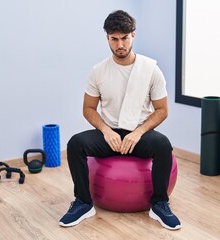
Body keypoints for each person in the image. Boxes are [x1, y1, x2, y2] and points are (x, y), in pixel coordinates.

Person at [59, 10, 181, 231]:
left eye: (124, 38)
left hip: (139, 133)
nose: (120, 44)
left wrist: (139, 132)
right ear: (107, 38)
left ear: (133, 35)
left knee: (163, 145)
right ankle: (84, 203)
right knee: (75, 143)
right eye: (114, 39)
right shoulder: (98, 71)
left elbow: (162, 110)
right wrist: (106, 131)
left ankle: (160, 203)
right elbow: (88, 109)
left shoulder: (151, 70)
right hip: (110, 134)